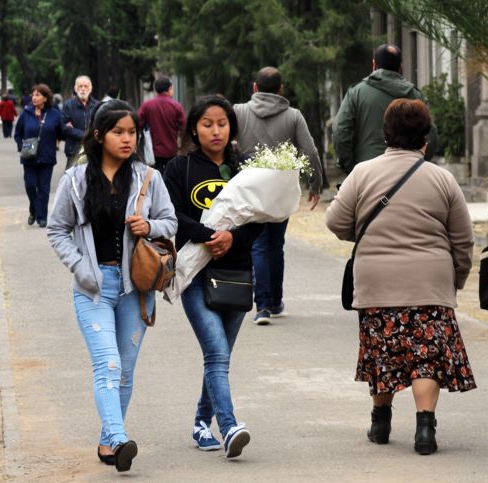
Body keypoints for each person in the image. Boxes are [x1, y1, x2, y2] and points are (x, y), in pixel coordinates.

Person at [325, 98, 476, 455]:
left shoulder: (362, 173)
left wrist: (363, 233)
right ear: (426, 137)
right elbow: (463, 239)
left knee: (382, 353)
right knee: (425, 356)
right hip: (430, 282)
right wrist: (457, 277)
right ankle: (425, 428)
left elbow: (335, 221)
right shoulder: (443, 179)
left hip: (377, 281)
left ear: (385, 134)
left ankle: (381, 421)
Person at [47, 99, 177, 473]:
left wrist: (149, 227)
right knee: (108, 362)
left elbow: (170, 221)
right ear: (99, 135)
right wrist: (80, 268)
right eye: (119, 132)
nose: (127, 139)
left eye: (133, 132)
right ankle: (120, 438)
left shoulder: (148, 177)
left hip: (137, 289)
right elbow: (56, 230)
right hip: (93, 287)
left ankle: (109, 444)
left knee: (126, 368)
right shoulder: (75, 180)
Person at [163, 96, 262, 459]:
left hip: (236, 274)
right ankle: (230, 425)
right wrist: (209, 236)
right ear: (194, 128)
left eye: (222, 123)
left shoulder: (246, 170)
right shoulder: (179, 168)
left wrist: (233, 237)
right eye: (207, 124)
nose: (215, 130)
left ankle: (200, 423)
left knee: (218, 356)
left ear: (232, 128)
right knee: (217, 353)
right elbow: (171, 216)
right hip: (195, 275)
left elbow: (259, 221)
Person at [233, 66, 323, 325]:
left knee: (258, 244)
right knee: (275, 244)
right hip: (280, 188)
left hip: (251, 187)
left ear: (255, 87)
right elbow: (311, 151)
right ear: (281, 89)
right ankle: (274, 300)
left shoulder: (239, 112)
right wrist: (314, 185)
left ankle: (262, 306)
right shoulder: (293, 116)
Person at [333, 44, 438, 174]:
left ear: (374, 65)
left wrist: (349, 165)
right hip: (407, 173)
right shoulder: (416, 96)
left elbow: (340, 131)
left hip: (367, 172)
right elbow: (432, 136)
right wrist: (419, 162)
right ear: (400, 67)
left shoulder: (357, 93)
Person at [13, 83, 63, 228]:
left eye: (37, 95)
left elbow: (61, 132)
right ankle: (34, 209)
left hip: (47, 156)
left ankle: (42, 217)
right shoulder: (26, 113)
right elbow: (17, 134)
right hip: (29, 156)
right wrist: (21, 146)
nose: (34, 98)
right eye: (33, 95)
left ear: (46, 98)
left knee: (44, 188)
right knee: (30, 185)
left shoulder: (54, 114)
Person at [138, 76, 186, 173]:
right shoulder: (176, 106)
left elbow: (138, 123)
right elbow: (184, 127)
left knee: (155, 178)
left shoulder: (147, 105)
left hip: (153, 152)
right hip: (172, 150)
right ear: (169, 89)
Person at [62, 75, 100, 169]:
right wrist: (86, 135)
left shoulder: (98, 105)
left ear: (90, 89)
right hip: (74, 149)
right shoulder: (68, 105)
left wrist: (75, 130)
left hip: (94, 149)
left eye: (86, 86)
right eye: (80, 86)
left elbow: (100, 125)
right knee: (72, 179)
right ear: (75, 88)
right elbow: (64, 127)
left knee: (93, 179)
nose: (83, 89)